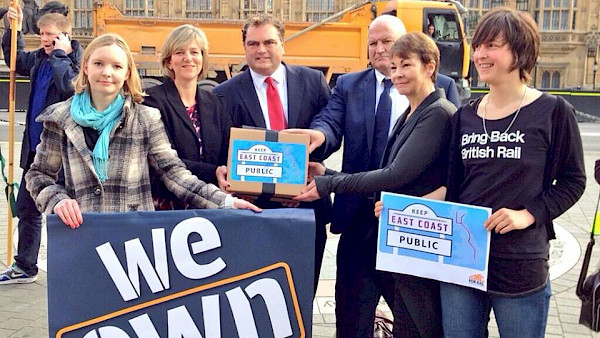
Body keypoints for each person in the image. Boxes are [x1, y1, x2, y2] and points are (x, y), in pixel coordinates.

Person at [295, 32, 454, 337]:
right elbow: (381, 168)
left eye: (404, 65)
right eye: (393, 67)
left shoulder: (437, 112)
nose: (396, 74)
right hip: (366, 225)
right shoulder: (410, 112)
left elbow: (395, 175)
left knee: (417, 323)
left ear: (430, 66)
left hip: (412, 236)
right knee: (353, 322)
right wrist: (326, 170)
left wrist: (329, 183)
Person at [441, 8, 585, 337]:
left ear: (520, 51)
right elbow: (451, 187)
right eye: (478, 46)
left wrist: (528, 215)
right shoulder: (464, 116)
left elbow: (573, 181)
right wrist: (401, 207)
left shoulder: (553, 112)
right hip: (463, 260)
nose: (479, 54)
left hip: (520, 265)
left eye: (491, 45)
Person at [25, 33, 261, 229]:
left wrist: (226, 202)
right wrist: (57, 200)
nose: (107, 72)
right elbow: (38, 175)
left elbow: (175, 174)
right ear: (85, 67)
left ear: (127, 73)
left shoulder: (145, 119)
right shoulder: (59, 118)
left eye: (116, 66)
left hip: (135, 239)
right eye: (99, 64)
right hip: (81, 234)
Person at [212, 14, 332, 295]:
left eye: (268, 42)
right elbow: (222, 152)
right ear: (244, 48)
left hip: (307, 208)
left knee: (302, 295)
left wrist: (318, 144)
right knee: (255, 296)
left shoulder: (313, 82)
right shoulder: (224, 93)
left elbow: (331, 130)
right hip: (254, 212)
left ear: (283, 44)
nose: (261, 50)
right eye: (253, 43)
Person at [0, 6, 81, 284]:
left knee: (64, 213)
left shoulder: (74, 61)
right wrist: (14, 29)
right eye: (43, 34)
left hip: (64, 155)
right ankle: (25, 266)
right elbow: (16, 59)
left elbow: (70, 85)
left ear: (65, 36)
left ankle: (74, 271)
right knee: (27, 208)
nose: (45, 39)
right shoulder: (39, 59)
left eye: (51, 35)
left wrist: (62, 53)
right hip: (35, 152)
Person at [143, 25, 232, 209]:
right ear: (169, 61)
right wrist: (213, 172)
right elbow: (163, 161)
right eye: (180, 52)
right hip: (168, 206)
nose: (188, 58)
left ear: (202, 58)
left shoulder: (215, 103)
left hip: (212, 204)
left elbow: (228, 152)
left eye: (194, 52)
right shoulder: (152, 101)